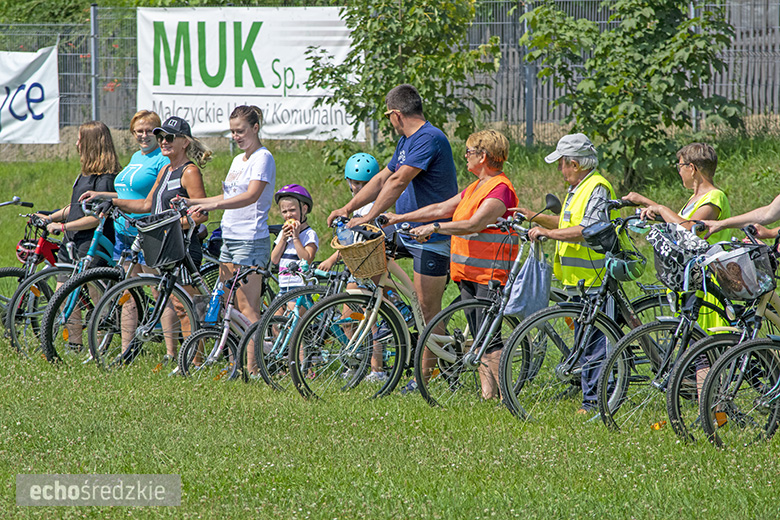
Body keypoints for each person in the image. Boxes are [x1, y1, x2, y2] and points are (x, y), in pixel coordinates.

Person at [327, 84, 459, 392]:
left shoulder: (429, 138)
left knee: (427, 309)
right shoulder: (406, 141)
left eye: (388, 116)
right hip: (405, 232)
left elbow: (399, 181)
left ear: (396, 114)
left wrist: (369, 215)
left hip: (430, 236)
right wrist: (348, 208)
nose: (389, 122)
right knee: (369, 258)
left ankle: (426, 377)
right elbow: (383, 178)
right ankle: (389, 314)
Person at [385, 130, 519, 399]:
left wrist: (435, 228)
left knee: (489, 337)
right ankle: (488, 395)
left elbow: (475, 224)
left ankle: (506, 397)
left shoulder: (500, 189)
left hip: (490, 272)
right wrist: (400, 218)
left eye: (469, 151)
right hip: (468, 271)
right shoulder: (476, 187)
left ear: (483, 156)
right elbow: (440, 209)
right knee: (479, 336)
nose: (465, 156)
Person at [86, 115, 211, 365]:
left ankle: (195, 363)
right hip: (165, 246)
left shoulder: (189, 171)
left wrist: (168, 225)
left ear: (185, 142)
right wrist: (113, 202)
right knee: (176, 303)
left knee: (185, 306)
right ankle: (189, 359)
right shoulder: (166, 169)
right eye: (161, 136)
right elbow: (146, 205)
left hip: (183, 246)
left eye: (170, 137)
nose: (163, 141)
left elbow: (201, 214)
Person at [516, 133, 616, 414]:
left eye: (561, 163)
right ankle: (591, 395)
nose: (559, 169)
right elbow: (566, 222)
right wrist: (533, 216)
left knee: (595, 343)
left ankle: (595, 403)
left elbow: (588, 229)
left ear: (575, 164)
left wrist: (547, 233)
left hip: (596, 277)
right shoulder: (578, 188)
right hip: (578, 280)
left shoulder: (597, 187)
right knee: (584, 340)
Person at [186, 105, 276, 374]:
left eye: (241, 131)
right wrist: (193, 202)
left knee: (248, 307)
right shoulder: (238, 160)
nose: (236, 136)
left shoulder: (263, 157)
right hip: (230, 237)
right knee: (228, 303)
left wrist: (213, 206)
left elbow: (251, 196)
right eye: (233, 132)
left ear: (255, 128)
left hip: (250, 239)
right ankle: (236, 362)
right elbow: (227, 197)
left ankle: (254, 369)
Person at [622, 142, 731, 334]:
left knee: (706, 343)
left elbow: (688, 229)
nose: (679, 172)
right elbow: (677, 223)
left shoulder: (715, 197)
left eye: (680, 166)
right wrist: (645, 203)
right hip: (691, 279)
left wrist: (661, 208)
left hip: (707, 282)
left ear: (692, 168)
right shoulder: (694, 199)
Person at [39, 120, 121, 350]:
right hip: (72, 242)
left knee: (97, 295)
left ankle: (100, 346)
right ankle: (74, 345)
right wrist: (51, 217)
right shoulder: (84, 175)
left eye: (80, 139)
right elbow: (74, 207)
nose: (76, 144)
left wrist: (64, 227)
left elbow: (96, 218)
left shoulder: (105, 179)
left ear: (92, 144)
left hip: (92, 242)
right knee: (63, 294)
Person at [79, 110, 169, 269]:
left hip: (146, 230)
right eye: (139, 131)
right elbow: (128, 194)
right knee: (127, 283)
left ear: (158, 133)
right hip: (123, 230)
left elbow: (158, 197)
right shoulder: (136, 156)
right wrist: (101, 195)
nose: (144, 135)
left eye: (149, 131)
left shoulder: (163, 158)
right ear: (133, 133)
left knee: (151, 282)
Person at [271, 184, 319, 292]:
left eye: (292, 210)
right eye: (284, 212)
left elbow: (307, 259)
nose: (288, 215)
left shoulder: (309, 234)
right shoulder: (283, 233)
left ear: (304, 209)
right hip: (284, 287)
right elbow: (274, 259)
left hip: (301, 287)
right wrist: (283, 239)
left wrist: (296, 238)